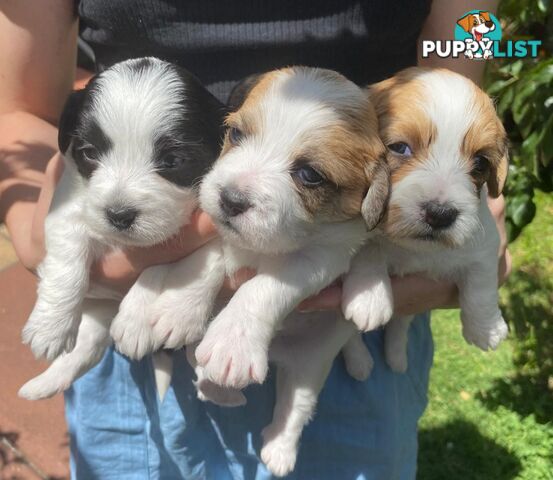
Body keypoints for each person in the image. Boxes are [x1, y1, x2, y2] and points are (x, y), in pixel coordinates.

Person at [0, 0, 510, 478]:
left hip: (349, 331)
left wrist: (460, 171)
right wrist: (42, 238)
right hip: (126, 336)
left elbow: (455, 78)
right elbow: (16, 110)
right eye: (237, 136)